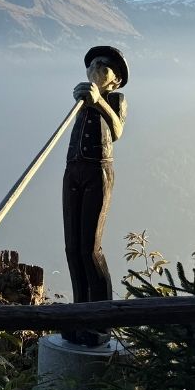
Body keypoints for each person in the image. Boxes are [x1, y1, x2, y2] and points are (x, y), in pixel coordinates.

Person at [61, 46, 128, 347]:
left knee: (91, 249)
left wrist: (99, 101)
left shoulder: (114, 99)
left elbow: (116, 130)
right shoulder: (82, 100)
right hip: (73, 170)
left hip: (98, 172)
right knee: (72, 248)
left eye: (105, 66)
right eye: (94, 63)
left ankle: (99, 322)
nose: (96, 67)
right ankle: (78, 316)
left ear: (115, 80)